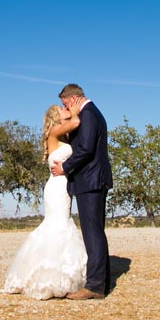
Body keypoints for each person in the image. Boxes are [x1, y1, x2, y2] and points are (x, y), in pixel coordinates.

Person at [1, 104, 87, 299]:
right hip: (56, 187)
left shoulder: (63, 136)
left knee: (60, 224)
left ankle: (62, 275)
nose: (66, 109)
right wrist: (75, 109)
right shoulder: (55, 131)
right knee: (57, 226)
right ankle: (49, 278)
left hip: (62, 185)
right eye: (62, 108)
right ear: (55, 116)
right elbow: (77, 121)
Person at [50, 83, 112, 300]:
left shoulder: (88, 115)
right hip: (93, 180)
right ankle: (102, 281)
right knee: (95, 231)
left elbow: (85, 148)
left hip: (91, 181)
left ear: (74, 98)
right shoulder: (90, 113)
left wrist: (65, 167)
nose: (65, 107)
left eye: (65, 103)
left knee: (92, 232)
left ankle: (95, 287)